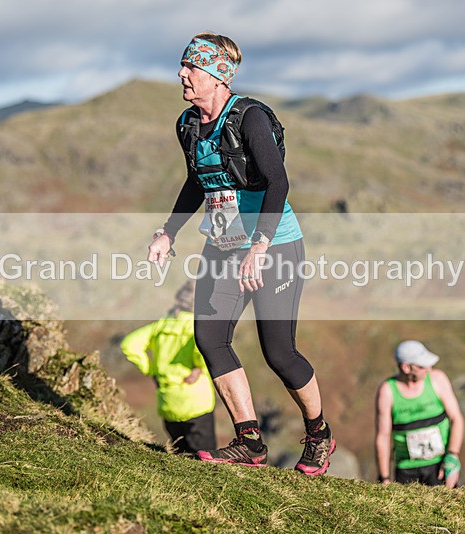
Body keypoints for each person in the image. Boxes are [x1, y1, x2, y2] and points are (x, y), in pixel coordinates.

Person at [147, 32, 334, 475]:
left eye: (190, 67)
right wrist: (167, 232)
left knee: (279, 353)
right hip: (223, 245)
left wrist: (261, 247)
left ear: (216, 75)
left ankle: (319, 434)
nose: (181, 74)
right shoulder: (187, 125)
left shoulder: (249, 117)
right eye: (182, 66)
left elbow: (278, 182)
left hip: (276, 245)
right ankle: (250, 441)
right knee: (209, 338)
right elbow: (198, 181)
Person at [121, 281, 216, 454]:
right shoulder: (197, 326)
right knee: (206, 458)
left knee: (179, 454)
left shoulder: (160, 326)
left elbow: (129, 345)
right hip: (196, 401)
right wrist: (198, 368)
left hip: (168, 402)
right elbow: (204, 348)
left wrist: (151, 369)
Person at [375, 340, 465, 487]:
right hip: (406, 470)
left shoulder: (438, 379)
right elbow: (383, 436)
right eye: (422, 366)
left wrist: (452, 456)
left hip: (440, 466)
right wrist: (384, 478)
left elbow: (456, 418)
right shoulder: (387, 391)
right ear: (406, 367)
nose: (429, 369)